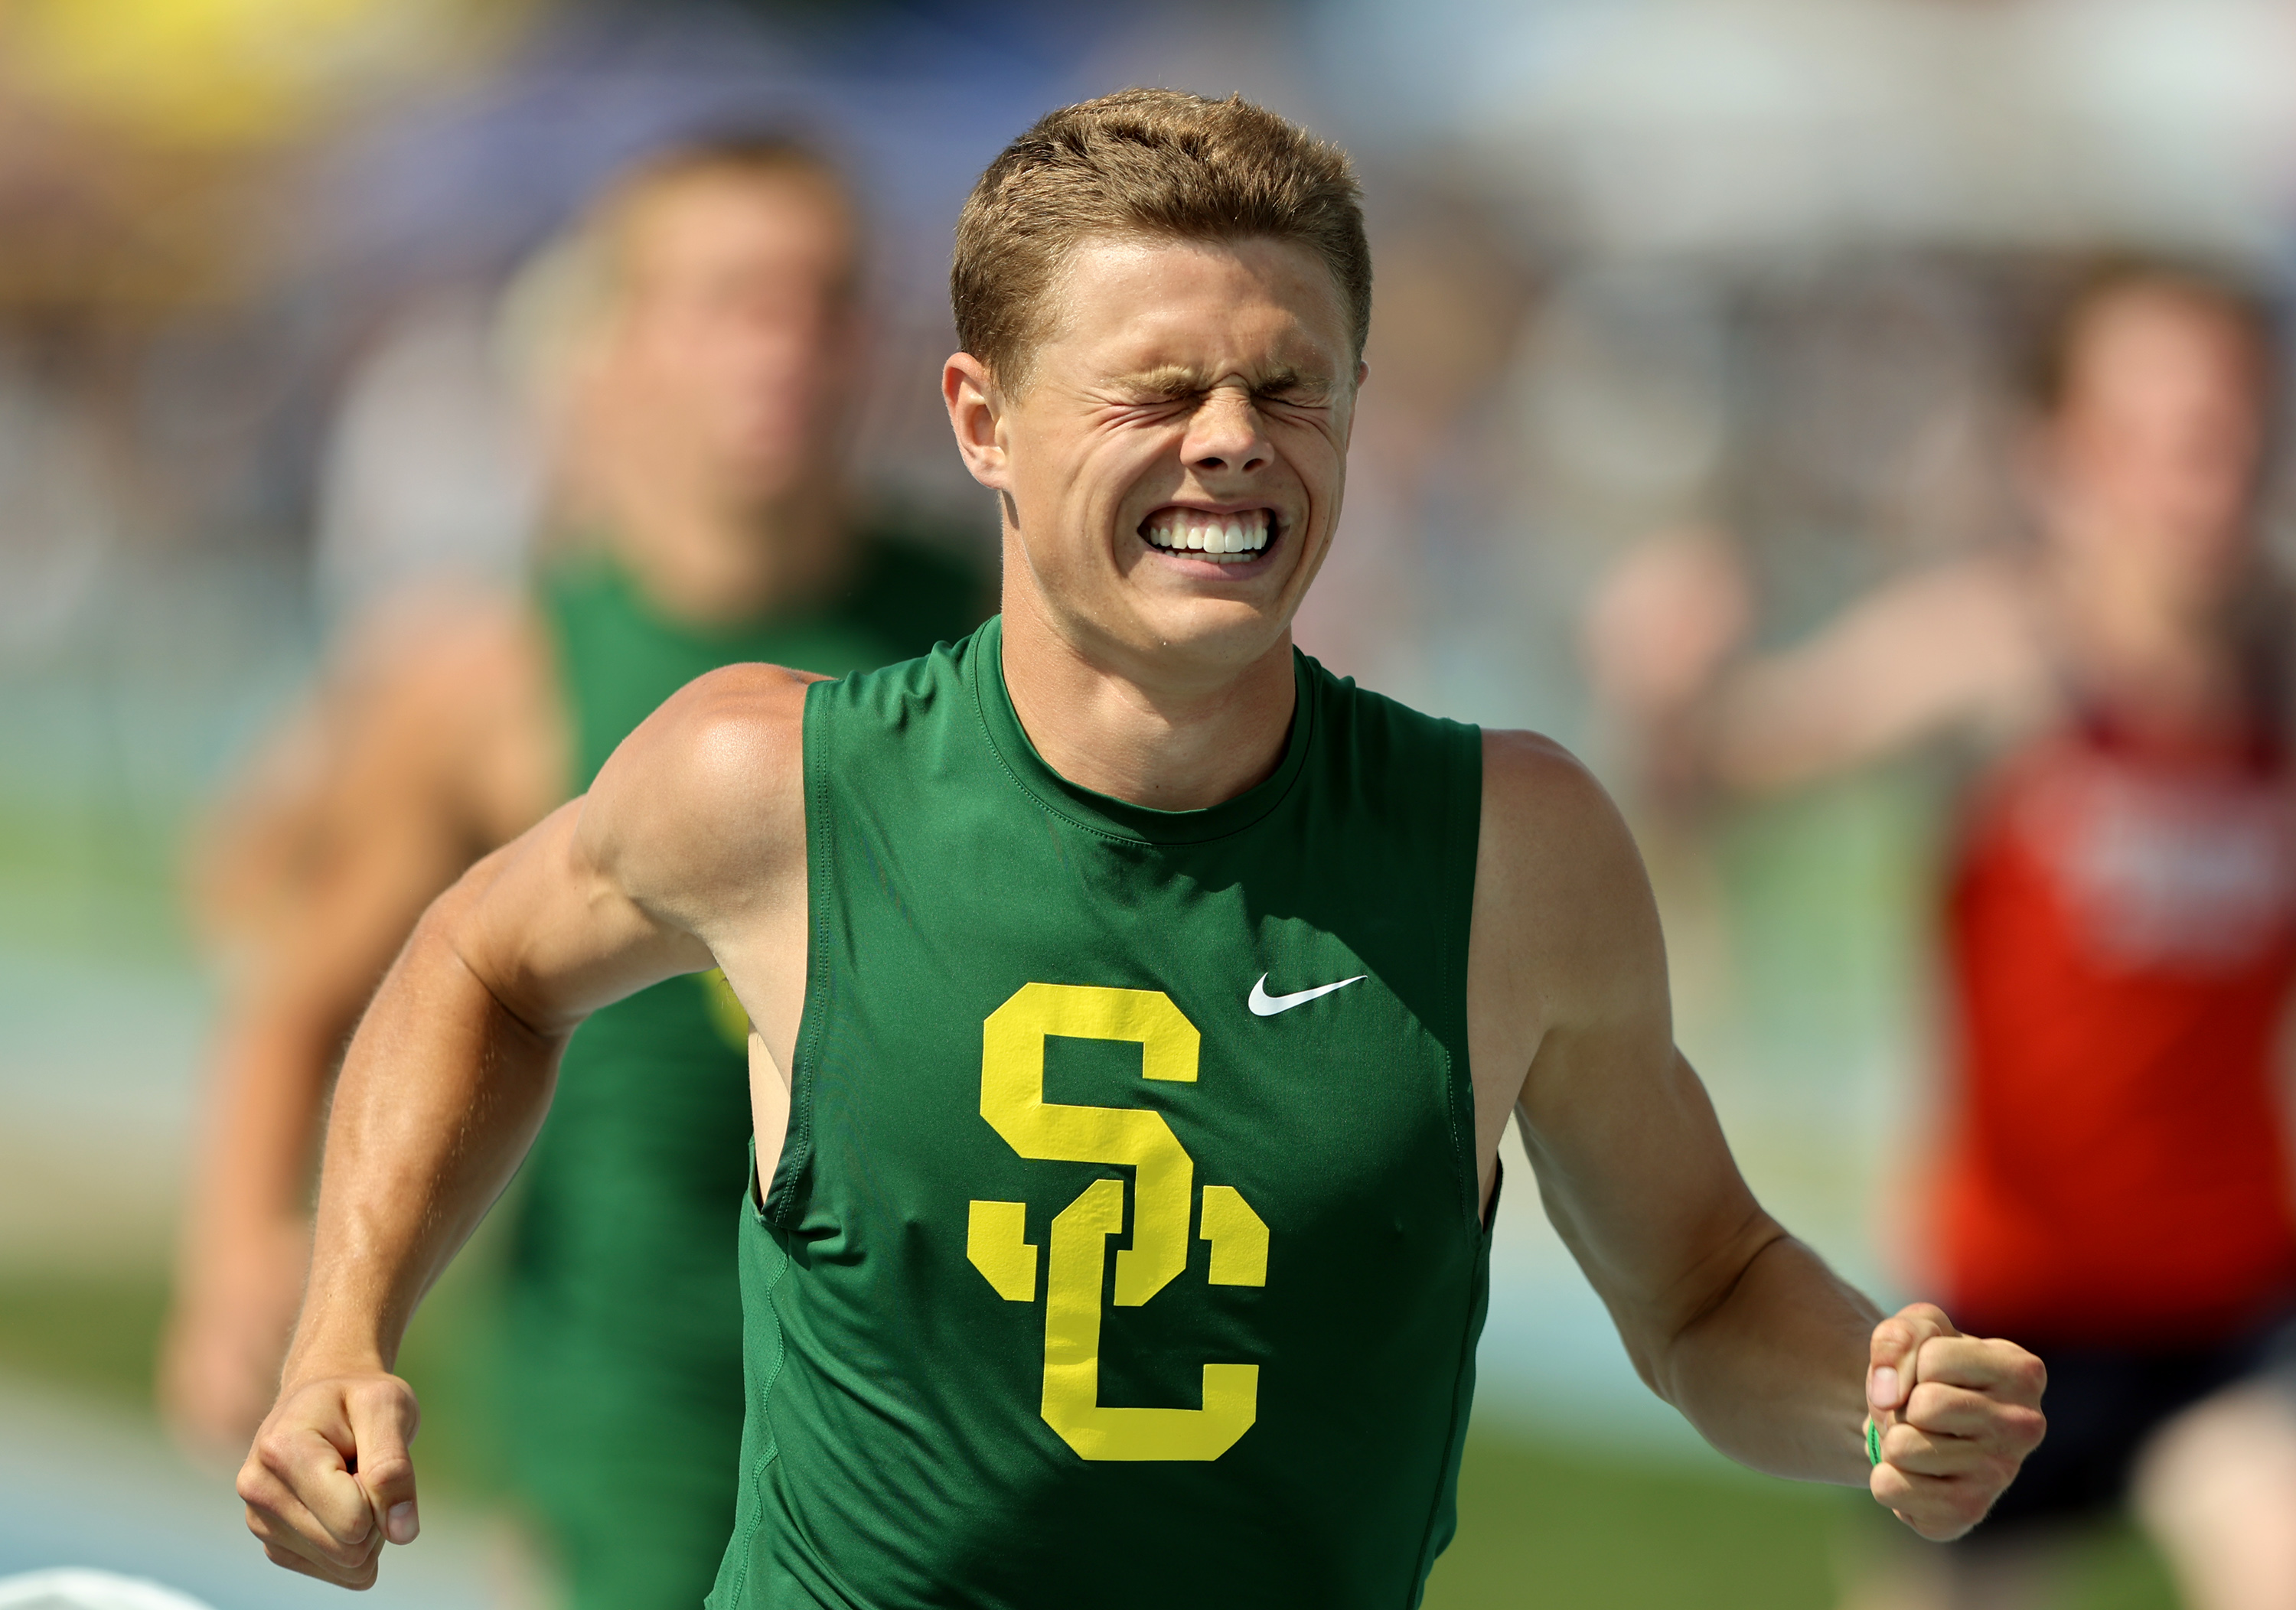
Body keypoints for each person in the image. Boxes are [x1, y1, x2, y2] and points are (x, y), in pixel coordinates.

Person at [234, 90, 2043, 1606]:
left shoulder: (1511, 842)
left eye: (1290, 386)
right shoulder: (771, 782)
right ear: (979, 424)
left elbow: (1706, 1281)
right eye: (1154, 392)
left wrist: (1876, 1401)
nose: (1233, 445)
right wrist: (340, 1328)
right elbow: (478, 955)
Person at [162, 136, 987, 1609]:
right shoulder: (502, 680)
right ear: (614, 349)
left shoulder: (992, 637)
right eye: (734, 301)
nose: (784, 348)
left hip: (942, 1405)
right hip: (633, 1426)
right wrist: (249, 1267)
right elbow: (299, 997)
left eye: (824, 302)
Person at [1587, 259, 2296, 1610]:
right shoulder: (1995, 658)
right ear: (2057, 462)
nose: (2206, 481)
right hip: (2009, 1323)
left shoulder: (2282, 671)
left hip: (2227, 1308)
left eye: (2236, 432)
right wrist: (1671, 695)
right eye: (2159, 441)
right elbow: (1735, 772)